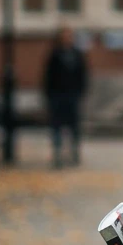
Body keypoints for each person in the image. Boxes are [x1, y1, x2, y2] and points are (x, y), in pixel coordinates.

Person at [43, 27, 88, 168]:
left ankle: (74, 152)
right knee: (56, 126)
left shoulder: (77, 54)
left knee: (74, 126)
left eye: (70, 36)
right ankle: (57, 155)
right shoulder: (55, 55)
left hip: (72, 95)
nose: (67, 38)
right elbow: (48, 77)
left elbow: (83, 75)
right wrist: (49, 95)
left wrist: (80, 92)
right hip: (57, 95)